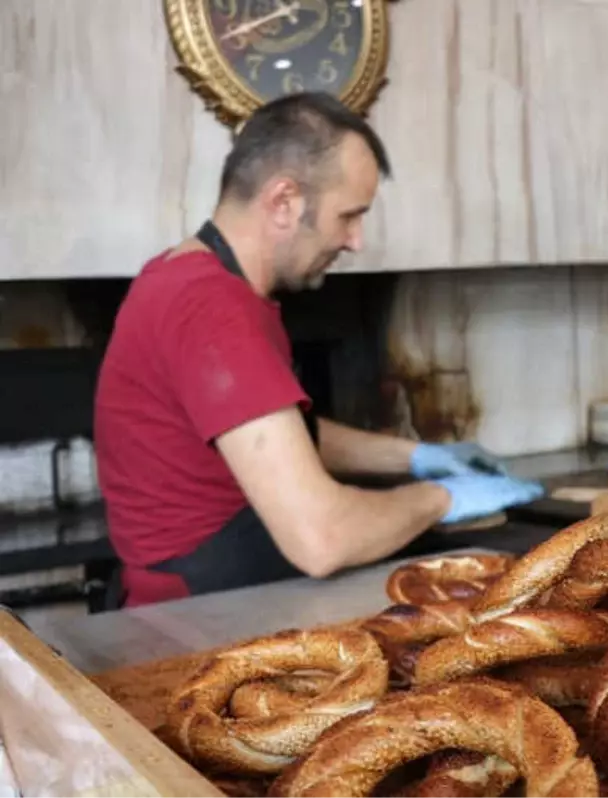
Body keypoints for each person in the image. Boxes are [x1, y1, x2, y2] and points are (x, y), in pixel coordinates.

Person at [93, 92, 545, 609]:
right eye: (348, 215)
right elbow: (321, 540)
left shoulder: (191, 279)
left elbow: (278, 432)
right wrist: (443, 499)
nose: (354, 240)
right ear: (283, 201)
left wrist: (418, 457)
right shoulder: (209, 307)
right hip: (194, 618)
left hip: (218, 592)